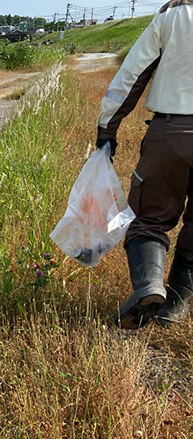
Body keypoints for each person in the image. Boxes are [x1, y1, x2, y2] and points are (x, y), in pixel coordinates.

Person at [96, 0, 193, 329]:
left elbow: (131, 75)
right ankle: (175, 307)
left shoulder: (174, 14)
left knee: (148, 220)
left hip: (172, 132)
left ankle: (150, 286)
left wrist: (107, 130)